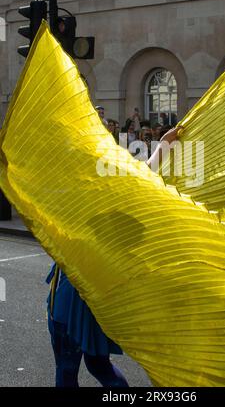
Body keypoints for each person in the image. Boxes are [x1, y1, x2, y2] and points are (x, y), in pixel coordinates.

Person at [46, 126, 182, 388]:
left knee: (66, 369)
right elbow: (147, 173)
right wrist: (164, 143)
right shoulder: (121, 196)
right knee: (99, 365)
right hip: (101, 300)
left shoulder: (81, 197)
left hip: (70, 299)